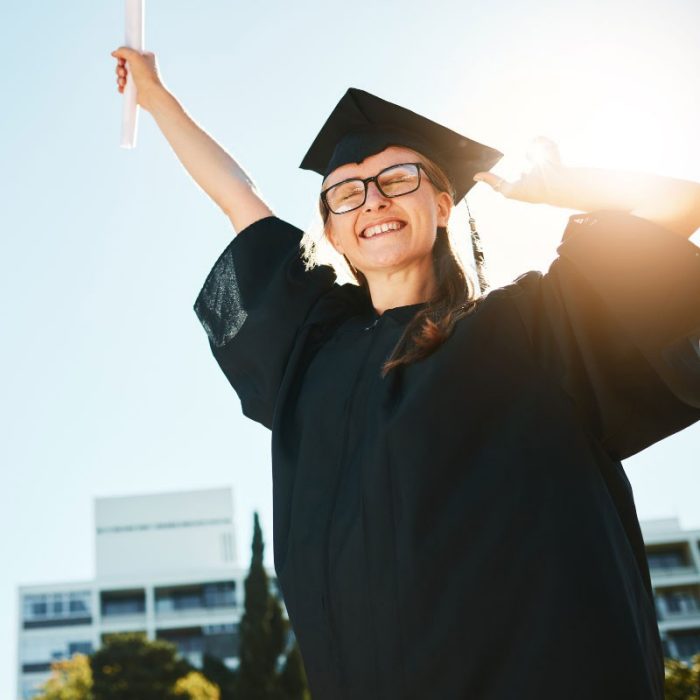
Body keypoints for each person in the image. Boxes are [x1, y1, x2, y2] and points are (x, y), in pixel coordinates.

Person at [111, 47, 700, 700]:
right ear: (331, 232)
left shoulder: (538, 325)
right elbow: (235, 196)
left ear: (444, 204)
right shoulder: (309, 350)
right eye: (346, 193)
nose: (373, 201)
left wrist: (561, 185)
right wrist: (156, 94)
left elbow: (679, 210)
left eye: (398, 179)